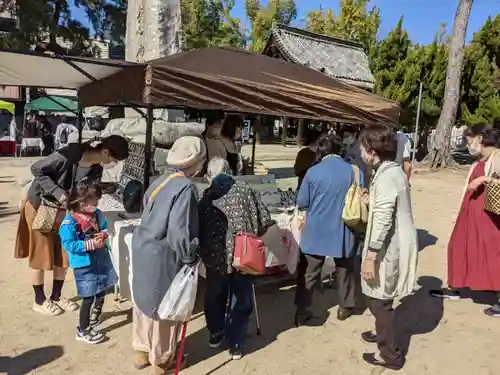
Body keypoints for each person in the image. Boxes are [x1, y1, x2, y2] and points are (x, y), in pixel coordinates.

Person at [14, 135, 129, 316]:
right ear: (105, 152)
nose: (114, 164)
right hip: (41, 207)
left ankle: (57, 296)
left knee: (64, 254)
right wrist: (58, 191)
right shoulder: (70, 153)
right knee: (41, 254)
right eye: (114, 160)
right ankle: (39, 300)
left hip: (64, 212)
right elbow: (37, 168)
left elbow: (84, 192)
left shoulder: (96, 169)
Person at [131, 136, 204, 375]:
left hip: (143, 246)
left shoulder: (160, 180)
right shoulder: (186, 188)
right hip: (163, 254)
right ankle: (162, 361)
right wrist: (190, 257)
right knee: (167, 306)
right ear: (196, 162)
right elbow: (180, 232)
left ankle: (141, 349)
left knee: (143, 301)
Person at [198, 157, 274, 360]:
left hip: (216, 257)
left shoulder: (207, 196)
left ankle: (216, 333)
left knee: (215, 295)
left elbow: (199, 229)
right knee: (241, 297)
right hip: (244, 254)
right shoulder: (245, 189)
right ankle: (236, 343)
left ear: (210, 175)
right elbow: (263, 221)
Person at [357, 124, 418, 371]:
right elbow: (386, 209)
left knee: (379, 299)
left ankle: (389, 355)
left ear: (372, 150)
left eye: (363, 148)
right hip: (389, 243)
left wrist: (370, 256)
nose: (361, 153)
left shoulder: (386, 177)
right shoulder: (390, 172)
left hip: (388, 247)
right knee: (380, 296)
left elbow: (383, 220)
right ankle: (381, 332)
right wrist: (371, 201)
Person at [430, 124, 500, 317]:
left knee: (493, 253)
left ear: (479, 138)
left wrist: (485, 179)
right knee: (458, 247)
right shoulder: (482, 159)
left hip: (488, 216)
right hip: (470, 214)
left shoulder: (498, 157)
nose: (467, 144)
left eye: (468, 140)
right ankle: (455, 286)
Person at [294, 134, 363, 326]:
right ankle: (345, 307)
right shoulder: (354, 171)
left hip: (316, 228)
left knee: (309, 271)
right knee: (346, 268)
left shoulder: (313, 172)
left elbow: (302, 202)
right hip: (344, 227)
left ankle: (302, 310)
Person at [59, 181, 117, 344]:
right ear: (82, 202)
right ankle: (83, 330)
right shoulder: (69, 223)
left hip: (100, 260)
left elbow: (105, 227)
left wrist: (103, 235)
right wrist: (90, 244)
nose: (97, 204)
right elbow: (68, 244)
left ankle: (95, 317)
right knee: (88, 296)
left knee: (102, 289)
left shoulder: (97, 214)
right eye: (95, 201)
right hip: (84, 266)